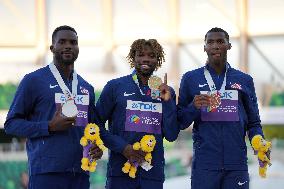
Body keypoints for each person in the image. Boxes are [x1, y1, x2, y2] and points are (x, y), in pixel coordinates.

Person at [4, 25, 103, 189]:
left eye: (73, 42)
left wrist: (96, 146)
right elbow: (11, 124)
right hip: (46, 173)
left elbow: (92, 128)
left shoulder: (87, 87)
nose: (68, 46)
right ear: (52, 47)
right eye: (62, 42)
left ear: (78, 48)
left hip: (80, 173)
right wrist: (49, 126)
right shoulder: (33, 81)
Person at [177, 27, 268, 189]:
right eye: (210, 42)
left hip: (236, 164)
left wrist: (259, 142)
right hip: (205, 165)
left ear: (229, 46)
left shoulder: (244, 80)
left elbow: (253, 123)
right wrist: (193, 107)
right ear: (205, 47)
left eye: (220, 41)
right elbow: (181, 122)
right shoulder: (190, 79)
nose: (215, 46)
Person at [95, 39, 180, 189]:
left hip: (152, 174)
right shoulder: (115, 87)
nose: (146, 59)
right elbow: (95, 124)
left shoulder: (166, 91)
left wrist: (167, 102)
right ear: (133, 57)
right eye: (141, 55)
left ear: (158, 60)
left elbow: (171, 135)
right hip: (120, 171)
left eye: (152, 55)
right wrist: (123, 147)